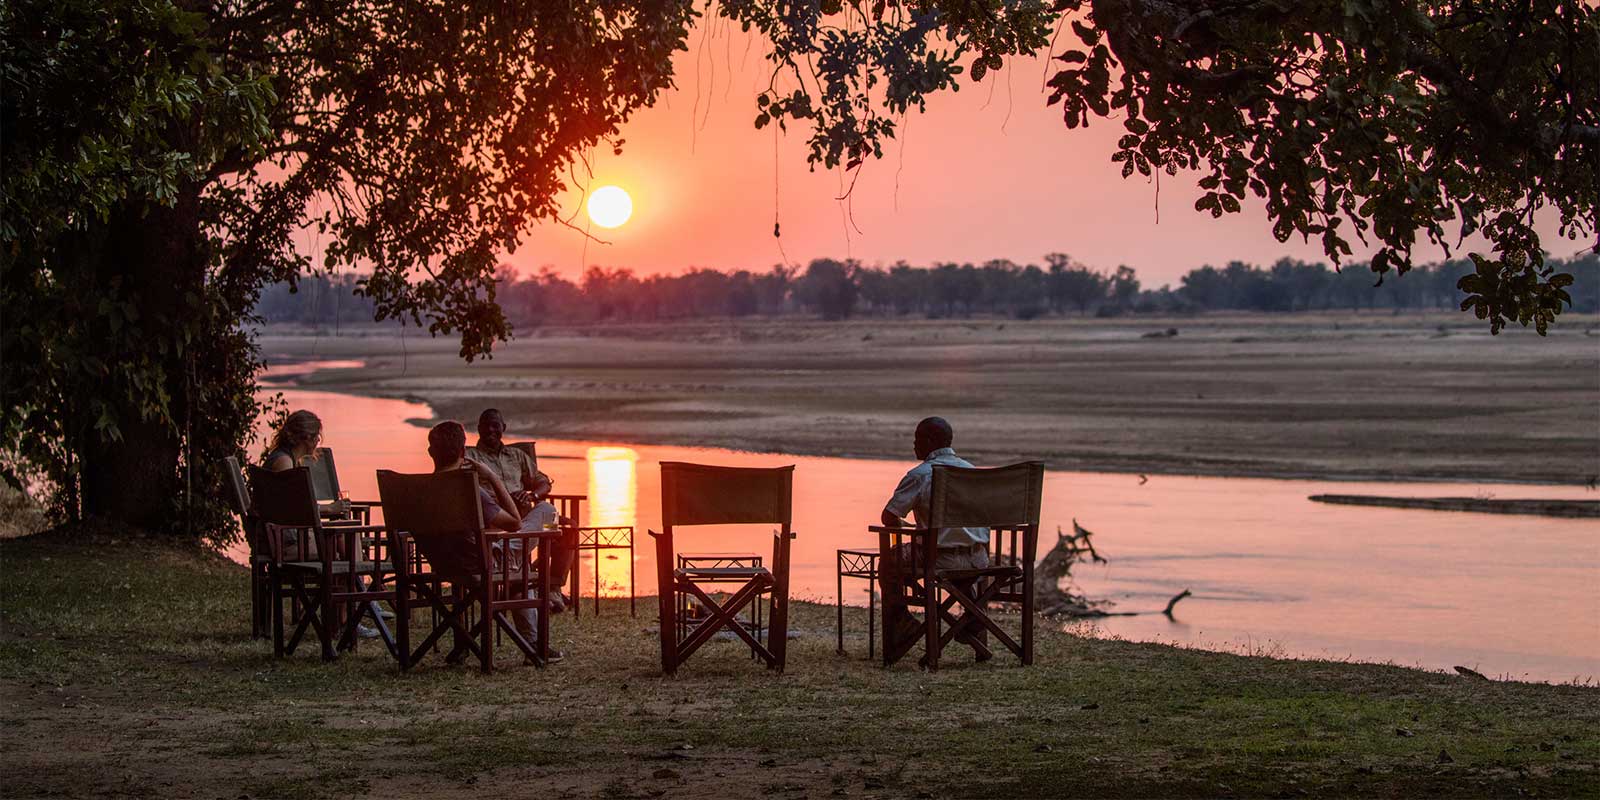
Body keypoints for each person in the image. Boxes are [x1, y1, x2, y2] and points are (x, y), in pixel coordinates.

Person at [428, 420, 563, 663]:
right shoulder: (469, 489)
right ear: (462, 452)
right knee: (547, 510)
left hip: (444, 563)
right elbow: (514, 523)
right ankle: (533, 641)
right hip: (486, 562)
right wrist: (492, 478)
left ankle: (465, 644)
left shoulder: (421, 488)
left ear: (430, 452)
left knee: (519, 561)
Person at [879, 416, 992, 663]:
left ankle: (903, 622)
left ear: (929, 441)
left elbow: (889, 516)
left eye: (917, 439)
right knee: (955, 564)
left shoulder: (921, 474)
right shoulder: (973, 472)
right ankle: (973, 616)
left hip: (938, 559)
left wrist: (907, 526)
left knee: (889, 561)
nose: (914, 445)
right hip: (978, 560)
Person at [464, 408, 573, 611]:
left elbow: (543, 482)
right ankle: (520, 578)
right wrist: (500, 499)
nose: (490, 430)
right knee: (529, 531)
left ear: (503, 428)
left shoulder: (517, 455)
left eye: (495, 425)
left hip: (529, 521)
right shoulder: (471, 456)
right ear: (478, 429)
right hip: (496, 522)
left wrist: (532, 496)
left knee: (564, 528)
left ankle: (551, 586)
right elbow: (463, 487)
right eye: (485, 425)